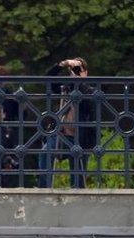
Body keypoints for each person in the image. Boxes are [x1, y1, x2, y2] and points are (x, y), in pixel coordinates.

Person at [38, 57, 97, 189]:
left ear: (85, 72)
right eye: (73, 70)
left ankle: (77, 200)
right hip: (61, 135)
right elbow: (48, 78)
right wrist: (62, 64)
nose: (75, 72)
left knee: (78, 180)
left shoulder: (90, 90)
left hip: (81, 139)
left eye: (78, 70)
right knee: (45, 153)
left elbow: (90, 104)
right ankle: (43, 190)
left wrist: (78, 82)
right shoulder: (65, 87)